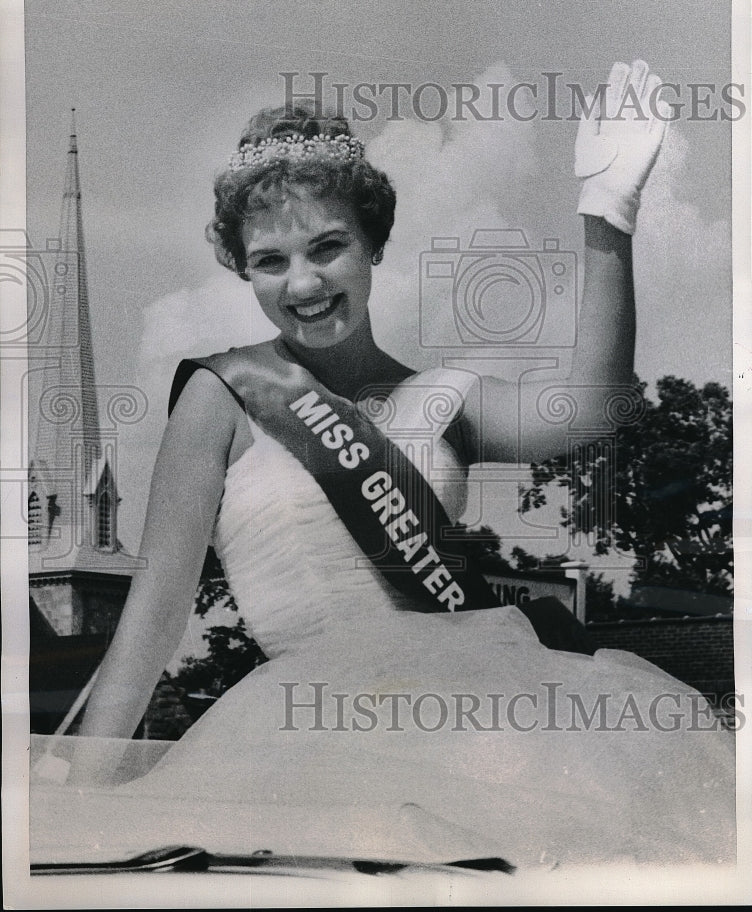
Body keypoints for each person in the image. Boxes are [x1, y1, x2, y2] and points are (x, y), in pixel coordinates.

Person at [54, 61, 734, 868]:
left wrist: (607, 213)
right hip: (305, 738)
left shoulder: (447, 398)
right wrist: (80, 808)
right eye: (271, 260)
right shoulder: (223, 398)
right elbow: (155, 619)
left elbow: (597, 406)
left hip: (484, 740)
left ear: (374, 241)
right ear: (241, 266)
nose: (302, 282)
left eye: (329, 247)